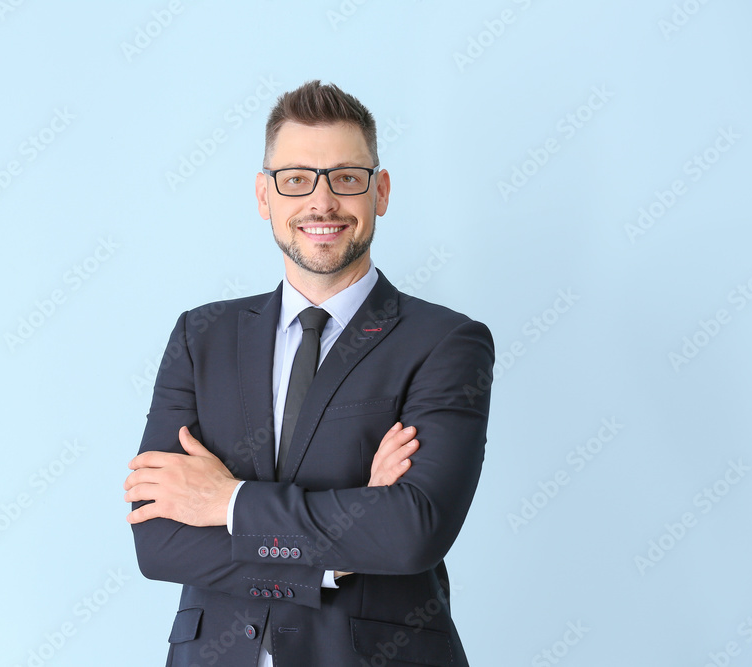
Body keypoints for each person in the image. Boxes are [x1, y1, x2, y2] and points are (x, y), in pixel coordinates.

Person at [124, 80, 494, 666]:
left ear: (382, 191)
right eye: (297, 179)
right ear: (264, 195)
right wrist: (338, 548)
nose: (321, 203)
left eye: (346, 178)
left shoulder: (446, 343)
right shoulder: (202, 337)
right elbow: (159, 540)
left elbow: (411, 530)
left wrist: (228, 502)